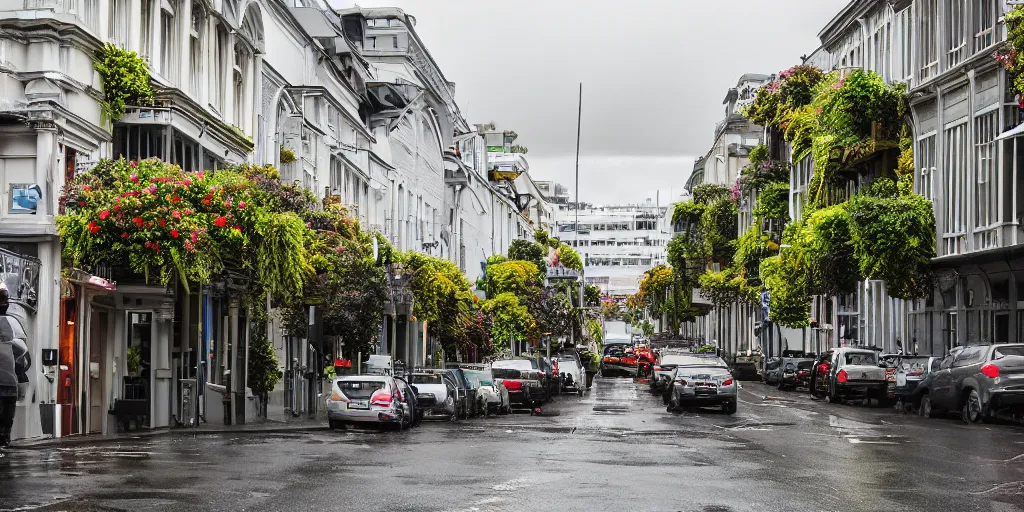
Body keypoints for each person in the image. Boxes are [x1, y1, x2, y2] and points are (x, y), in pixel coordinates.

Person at [0, 284, 29, 451]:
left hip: (10, 385)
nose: (4, 303)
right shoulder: (12, 324)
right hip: (10, 385)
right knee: (5, 425)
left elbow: (22, 354)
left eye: (4, 298)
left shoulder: (11, 323)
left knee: (5, 425)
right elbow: (22, 354)